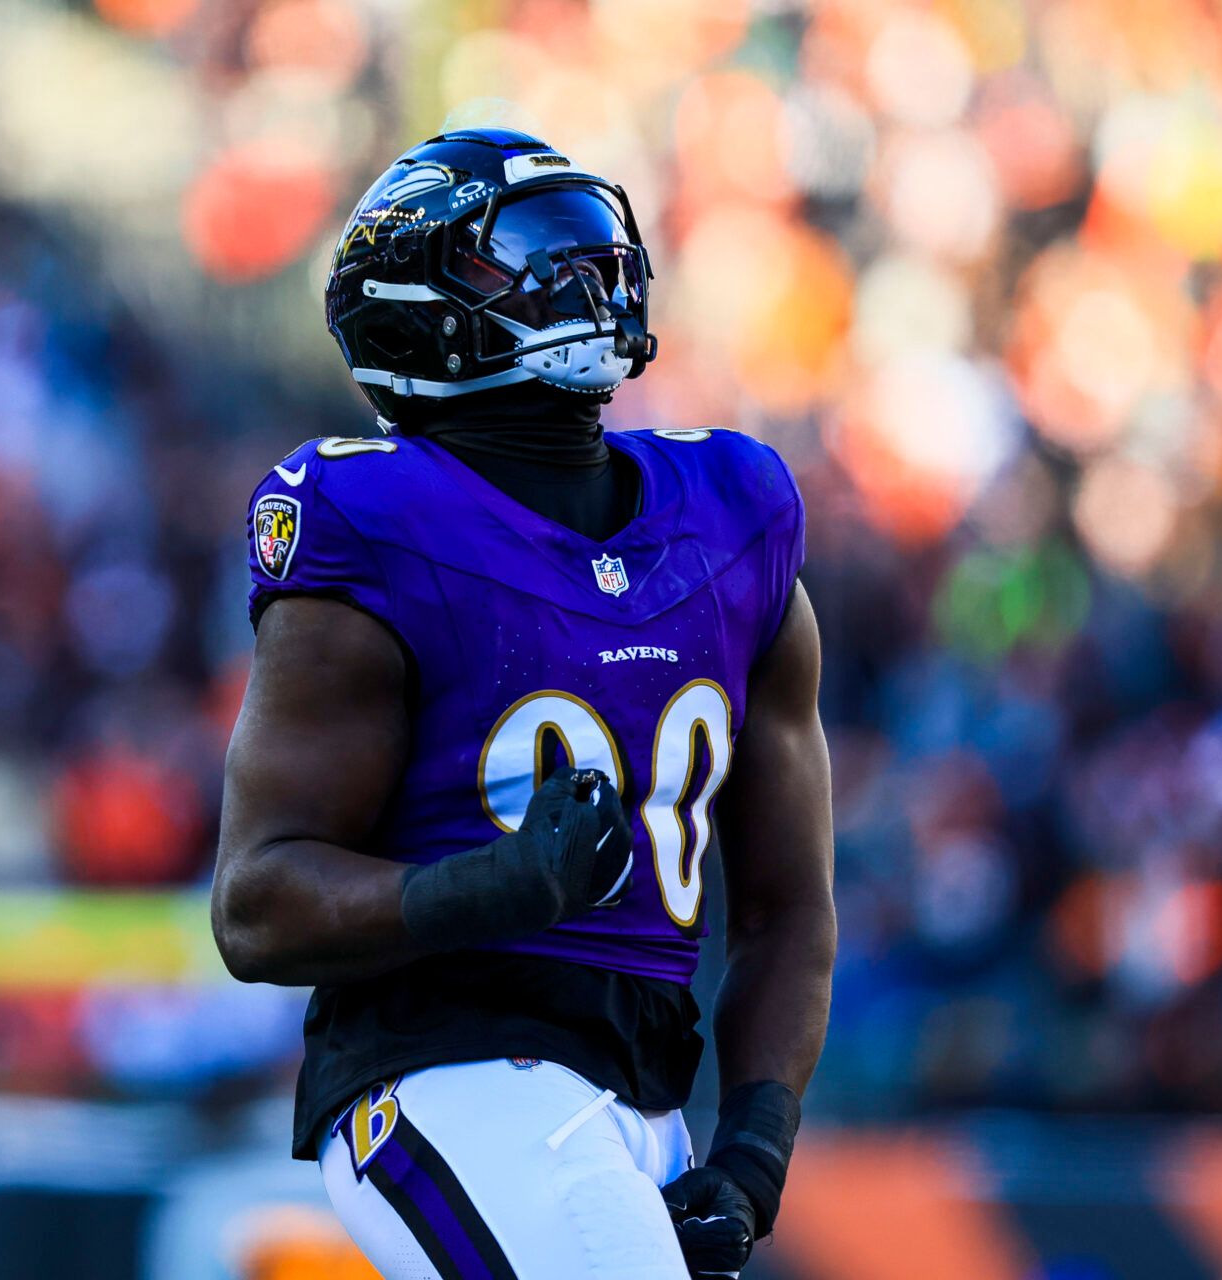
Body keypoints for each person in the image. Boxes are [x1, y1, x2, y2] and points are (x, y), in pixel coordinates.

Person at [212, 127, 836, 1278]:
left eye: (597, 242)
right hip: (440, 1069)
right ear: (422, 304)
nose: (587, 276)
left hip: (643, 1093)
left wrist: (753, 1144)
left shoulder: (734, 512)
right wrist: (499, 884)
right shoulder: (375, 523)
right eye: (533, 250)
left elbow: (789, 906)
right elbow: (256, 904)